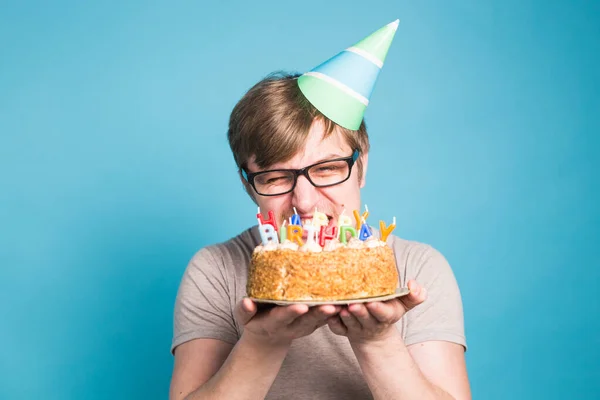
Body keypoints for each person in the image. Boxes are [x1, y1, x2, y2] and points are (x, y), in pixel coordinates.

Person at [170, 21, 471, 400]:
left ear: (360, 169)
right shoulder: (216, 270)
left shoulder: (417, 268)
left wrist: (378, 342)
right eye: (277, 178)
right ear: (249, 185)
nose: (305, 202)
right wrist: (262, 341)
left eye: (327, 169)